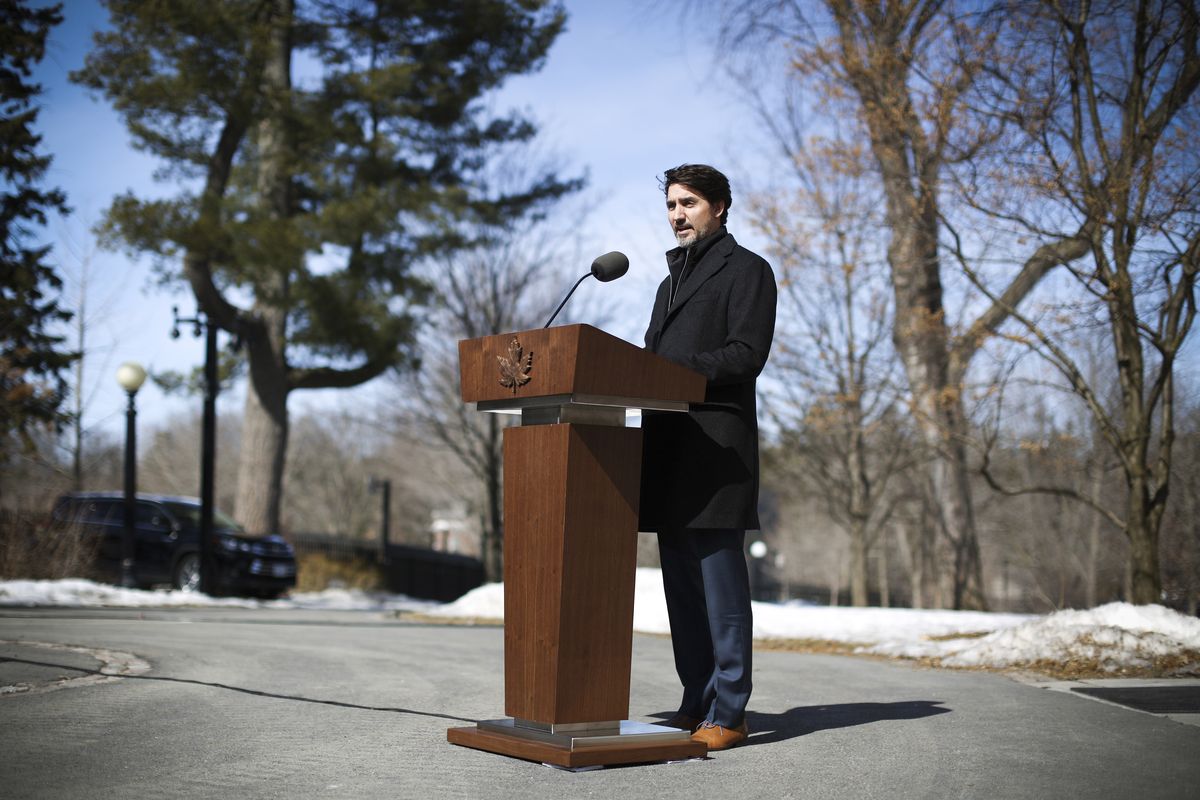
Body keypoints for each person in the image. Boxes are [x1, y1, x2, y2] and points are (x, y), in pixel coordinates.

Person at [640, 164, 777, 751]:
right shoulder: (667, 284)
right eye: (671, 204)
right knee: (682, 596)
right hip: (668, 453)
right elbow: (647, 362)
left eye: (688, 203)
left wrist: (675, 373)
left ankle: (731, 711)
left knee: (721, 597)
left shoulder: (748, 271)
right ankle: (695, 699)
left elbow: (747, 354)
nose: (676, 215)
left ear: (719, 206)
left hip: (717, 456)